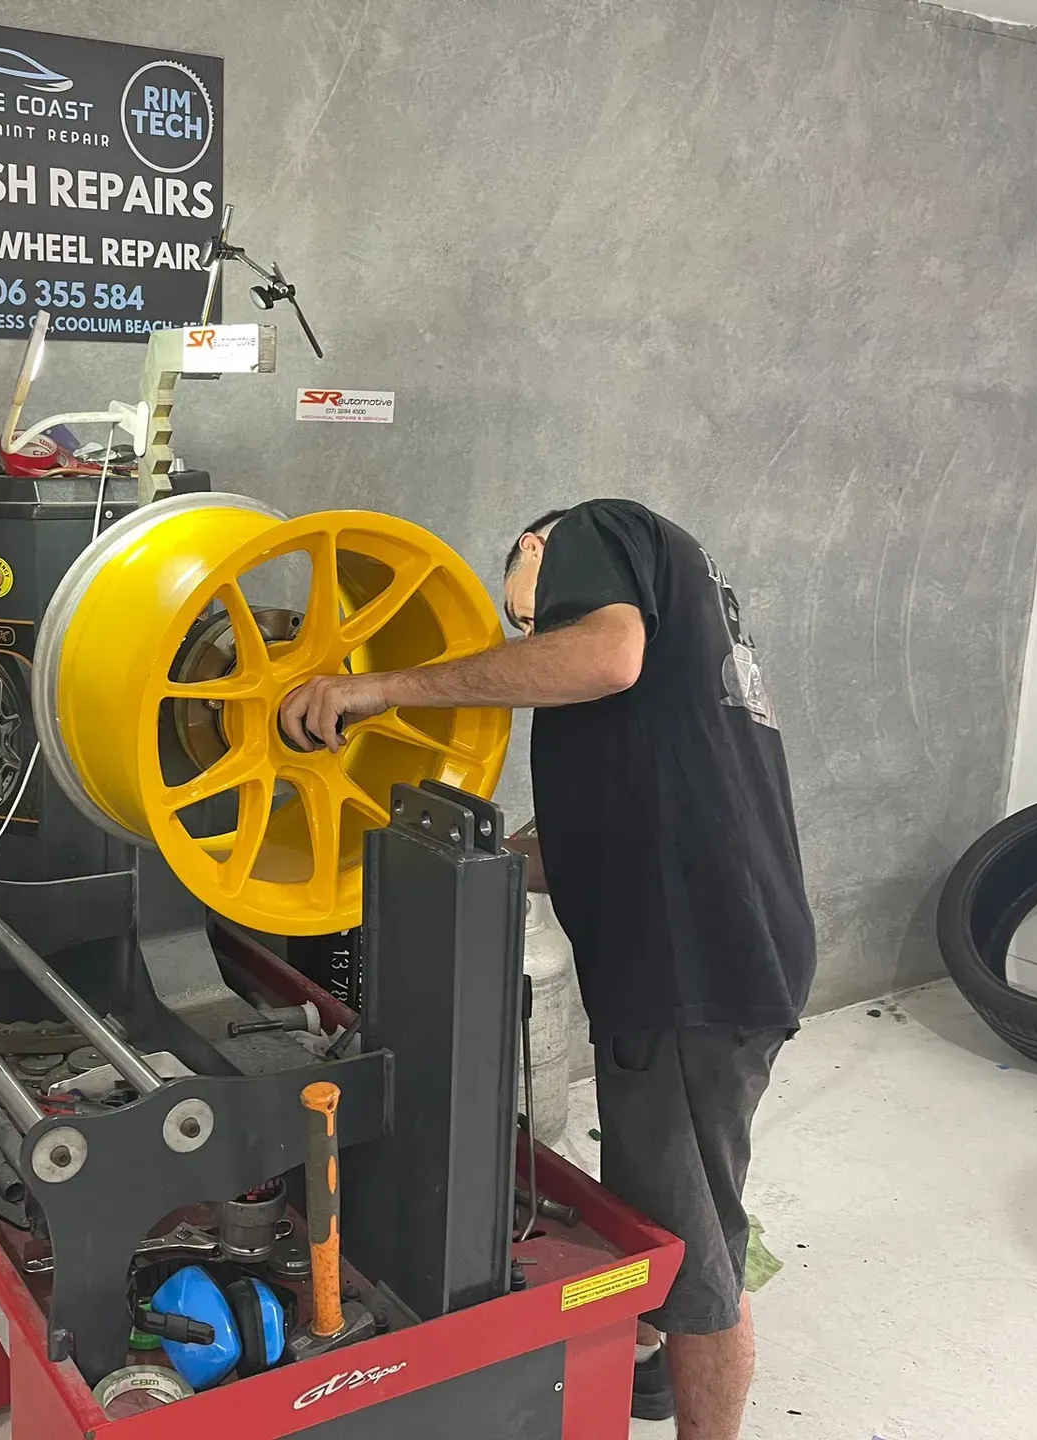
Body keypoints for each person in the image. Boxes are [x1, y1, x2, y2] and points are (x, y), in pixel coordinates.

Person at [279, 499, 815, 1439]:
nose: (523, 629)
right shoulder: (688, 638)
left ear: (534, 548)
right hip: (728, 944)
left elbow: (603, 656)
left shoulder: (596, 532)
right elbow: (566, 845)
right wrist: (430, 849)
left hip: (688, 963)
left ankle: (699, 1399)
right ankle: (647, 1364)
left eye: (521, 612)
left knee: (685, 1244)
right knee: (669, 1196)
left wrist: (378, 689)